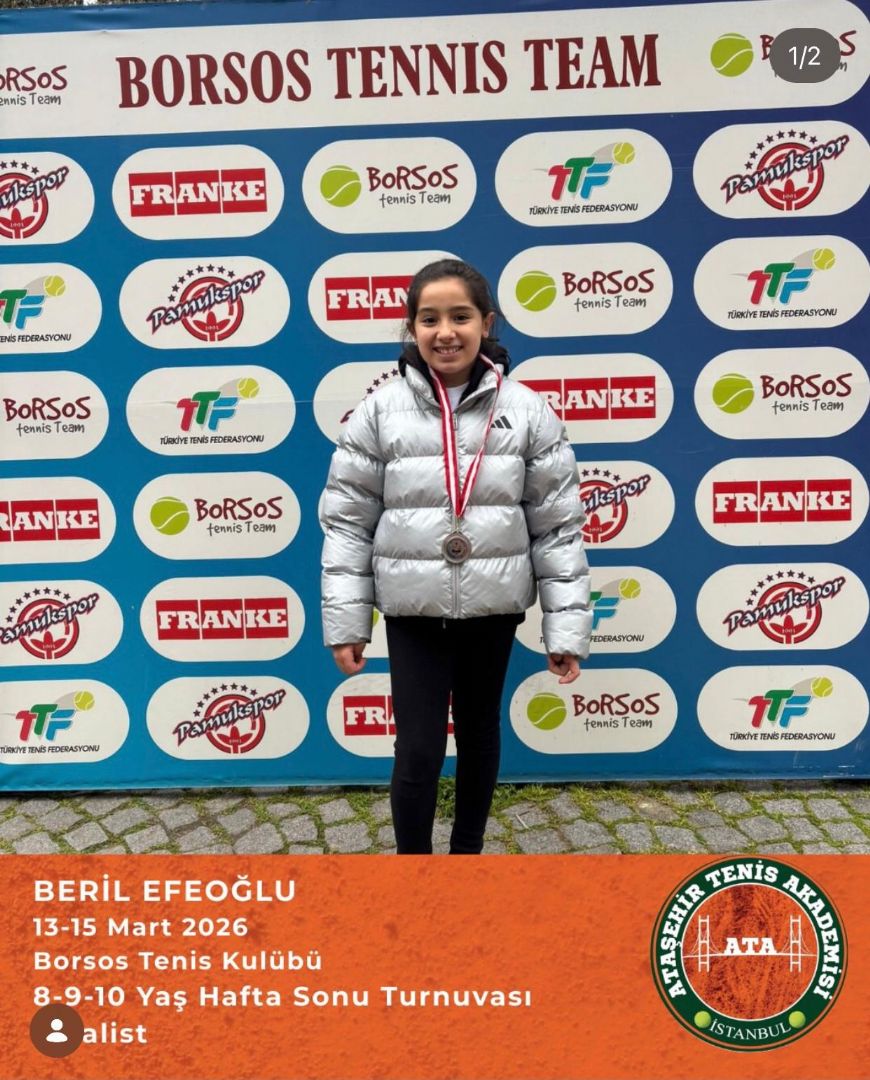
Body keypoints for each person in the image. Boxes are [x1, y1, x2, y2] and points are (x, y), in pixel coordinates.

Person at [320, 258, 590, 854]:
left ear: (486, 323)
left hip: (493, 608)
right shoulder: (379, 411)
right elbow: (347, 523)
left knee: (479, 734)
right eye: (430, 318)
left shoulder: (527, 411)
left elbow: (557, 528)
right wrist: (347, 622)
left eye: (460, 317)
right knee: (418, 747)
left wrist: (566, 627)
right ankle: (414, 869)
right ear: (411, 328)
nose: (446, 332)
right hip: (413, 611)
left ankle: (467, 859)